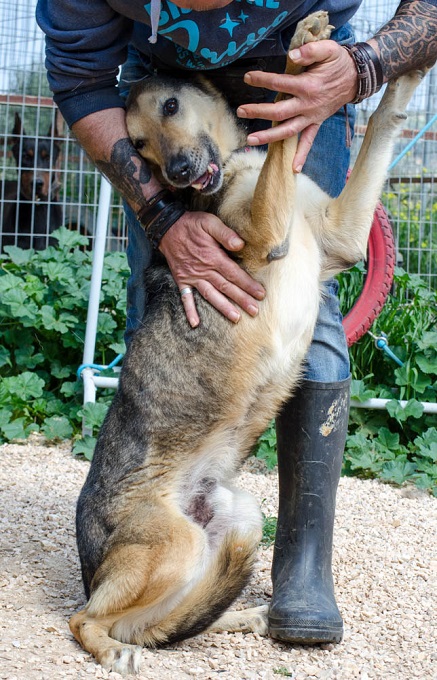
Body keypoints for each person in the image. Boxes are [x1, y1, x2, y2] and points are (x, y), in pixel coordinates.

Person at [36, 0, 437, 645]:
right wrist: (161, 214)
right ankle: (150, 583)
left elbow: (336, 242)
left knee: (315, 317)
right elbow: (80, 78)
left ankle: (305, 564)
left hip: (301, 68)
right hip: (162, 76)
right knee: (178, 293)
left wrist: (365, 71)